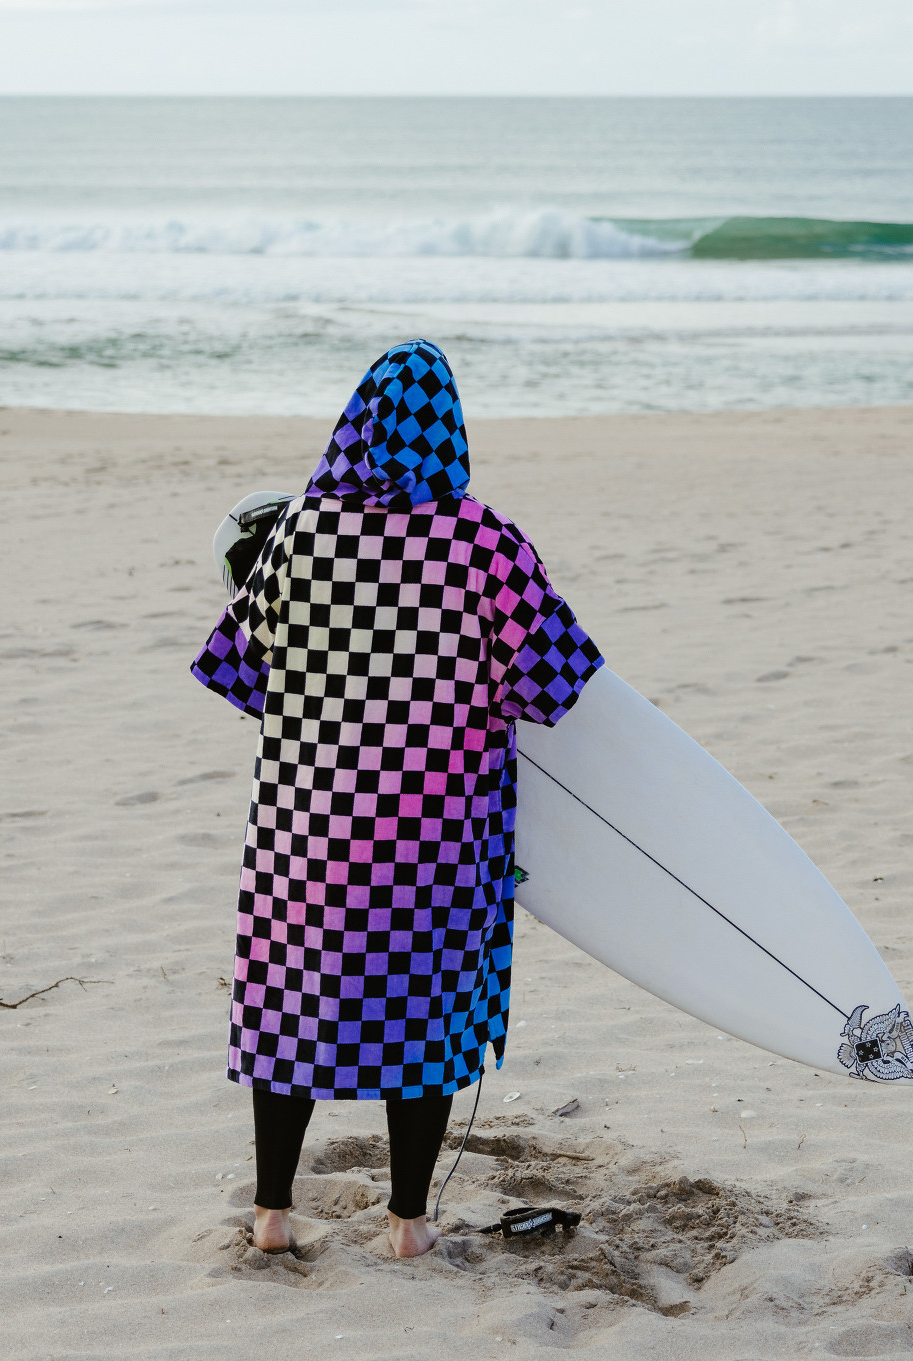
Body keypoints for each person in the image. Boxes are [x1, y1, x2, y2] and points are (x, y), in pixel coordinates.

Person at [190, 340, 602, 1259]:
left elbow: (239, 675)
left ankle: (271, 1216)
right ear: (450, 429)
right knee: (423, 1016)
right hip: (434, 832)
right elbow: (557, 685)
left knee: (290, 1005)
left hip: (305, 825)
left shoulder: (298, 532)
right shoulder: (484, 541)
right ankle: (409, 1223)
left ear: (358, 422)